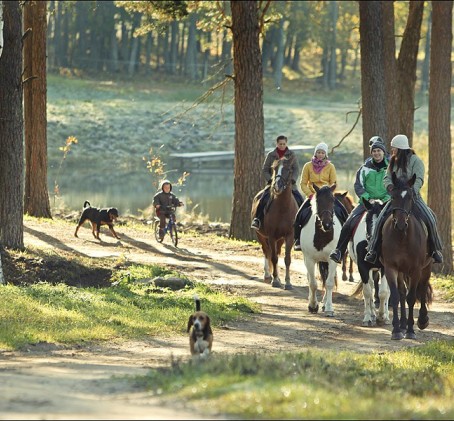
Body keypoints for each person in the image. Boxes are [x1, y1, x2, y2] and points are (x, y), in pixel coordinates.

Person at [364, 134, 443, 264]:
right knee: (380, 220)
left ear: (400, 148)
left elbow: (419, 179)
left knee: (430, 219)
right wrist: (389, 186)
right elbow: (387, 177)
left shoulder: (416, 161)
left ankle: (435, 250)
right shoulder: (393, 161)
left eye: (394, 148)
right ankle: (372, 250)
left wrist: (411, 191)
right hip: (396, 198)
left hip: (413, 197)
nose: (392, 150)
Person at [329, 136, 390, 263]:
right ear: (371, 153)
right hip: (367, 203)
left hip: (386, 203)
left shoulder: (391, 168)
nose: (376, 153)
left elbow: (394, 186)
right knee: (349, 222)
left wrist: (385, 199)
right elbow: (358, 185)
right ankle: (339, 251)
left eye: (379, 151)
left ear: (383, 152)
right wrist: (369, 199)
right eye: (374, 151)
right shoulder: (364, 168)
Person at [293, 142, 348, 250]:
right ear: (315, 153)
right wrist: (310, 194)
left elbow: (334, 183)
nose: (320, 154)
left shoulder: (330, 166)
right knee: (298, 216)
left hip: (327, 197)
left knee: (344, 214)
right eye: (318, 152)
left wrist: (328, 193)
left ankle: (345, 240)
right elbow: (303, 183)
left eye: (322, 153)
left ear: (325, 154)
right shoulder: (307, 166)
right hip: (312, 196)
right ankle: (298, 240)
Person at [251, 135, 304, 230]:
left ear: (286, 144)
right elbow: (265, 169)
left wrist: (293, 179)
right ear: (277, 144)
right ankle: (257, 220)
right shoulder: (271, 155)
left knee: (300, 199)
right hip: (273, 184)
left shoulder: (291, 155)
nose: (282, 145)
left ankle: (302, 222)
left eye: (284, 144)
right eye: (280, 144)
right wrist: (270, 180)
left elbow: (296, 169)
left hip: (289, 185)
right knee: (263, 198)